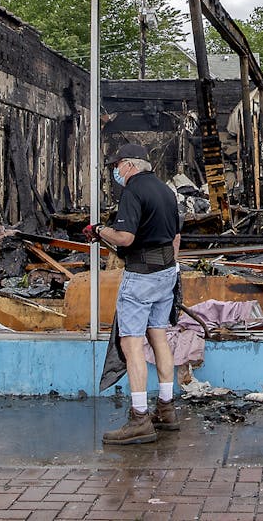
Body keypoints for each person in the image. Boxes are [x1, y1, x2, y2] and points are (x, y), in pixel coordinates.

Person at [85, 143, 182, 445]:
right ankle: (166, 409)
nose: (115, 171)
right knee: (159, 336)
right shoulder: (167, 191)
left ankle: (140, 418)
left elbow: (125, 238)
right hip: (167, 272)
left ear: (128, 165)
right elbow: (176, 235)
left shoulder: (133, 191)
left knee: (131, 344)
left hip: (141, 276)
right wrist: (171, 270)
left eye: (117, 165)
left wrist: (100, 229)